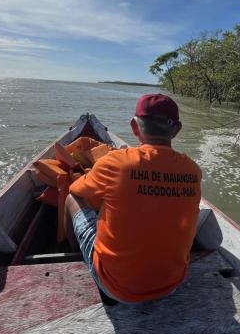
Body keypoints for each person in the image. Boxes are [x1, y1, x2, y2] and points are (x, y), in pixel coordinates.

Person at [64, 94, 202, 303]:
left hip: (115, 288)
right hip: (171, 284)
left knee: (71, 200)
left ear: (134, 127)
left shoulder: (115, 162)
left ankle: (77, 254)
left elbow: (76, 190)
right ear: (177, 129)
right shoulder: (192, 170)